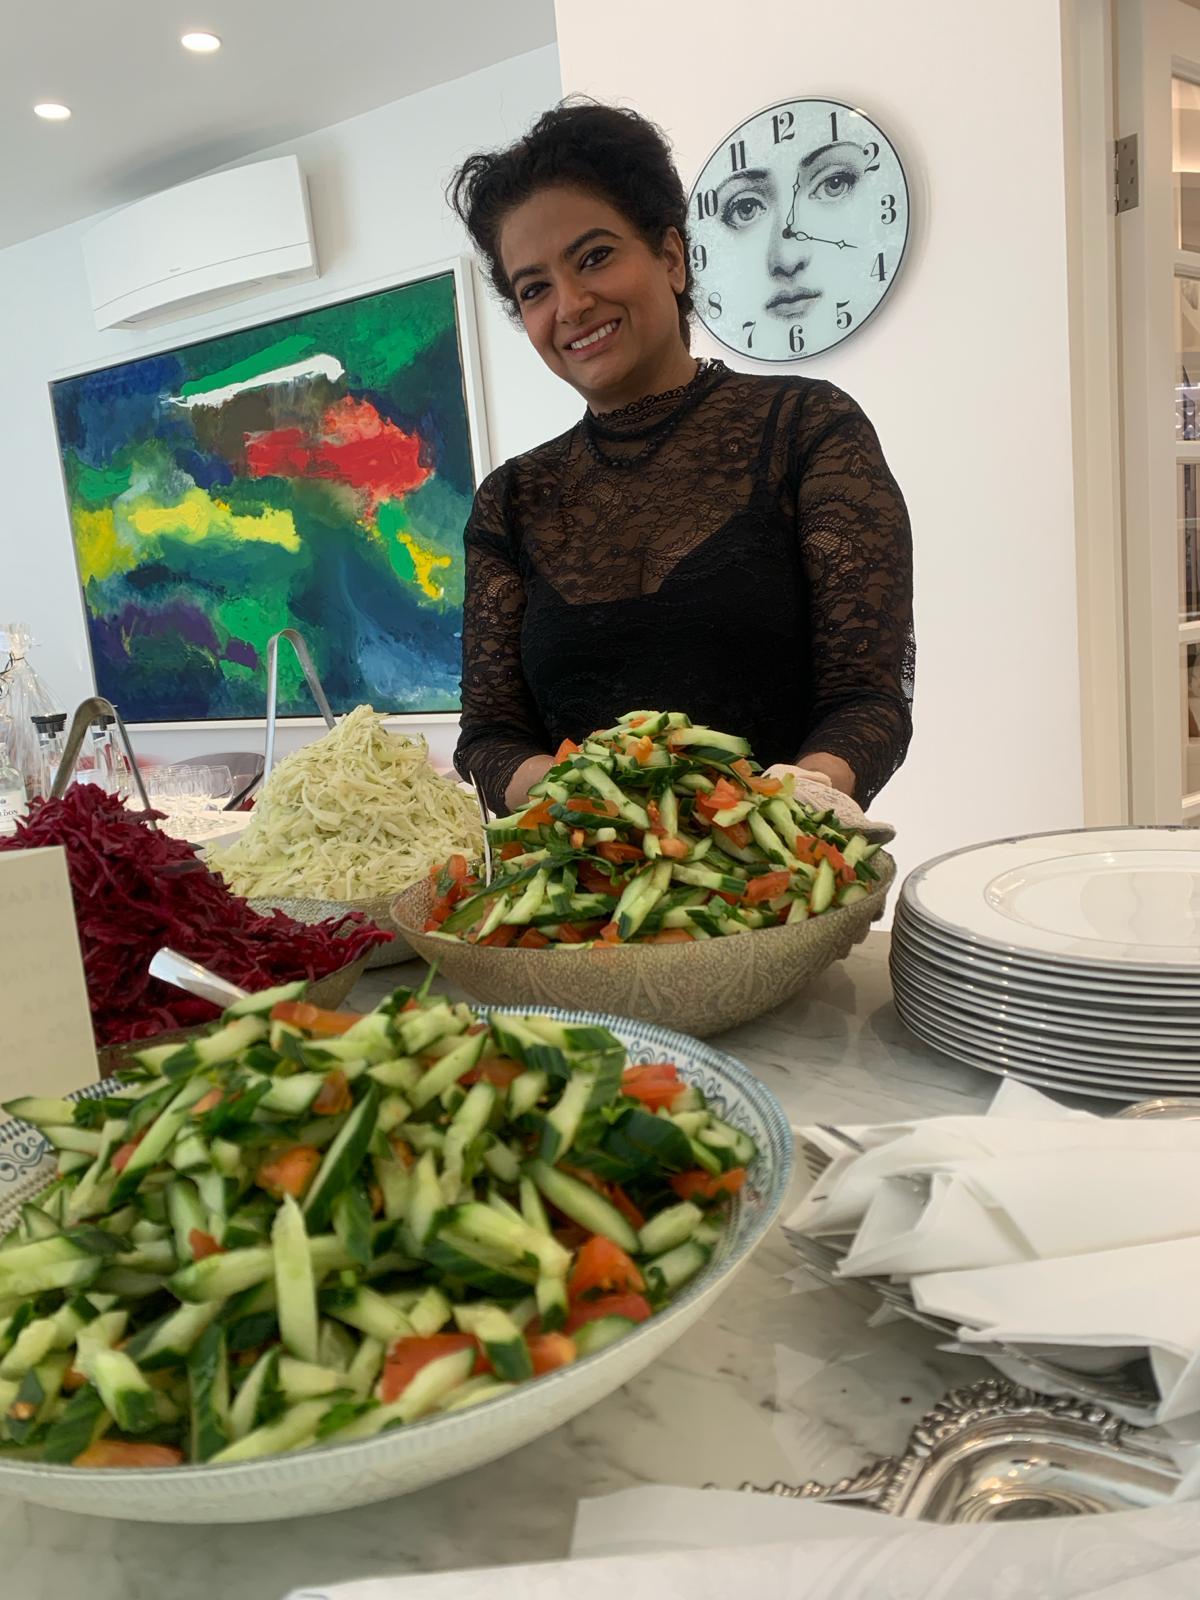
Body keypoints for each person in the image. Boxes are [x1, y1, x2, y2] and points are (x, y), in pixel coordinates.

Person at [448, 100, 913, 817]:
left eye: (595, 256)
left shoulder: (808, 427)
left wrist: (773, 812)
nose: (569, 304)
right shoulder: (512, 500)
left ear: (670, 256)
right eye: (533, 287)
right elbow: (489, 736)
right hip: (576, 899)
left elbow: (866, 700)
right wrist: (600, 811)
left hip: (775, 886)